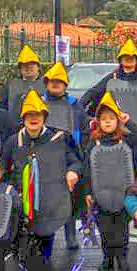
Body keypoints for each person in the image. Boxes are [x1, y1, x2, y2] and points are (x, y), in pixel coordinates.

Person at [1, 89, 83, 271]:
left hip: (50, 198)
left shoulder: (60, 138)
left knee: (45, 235)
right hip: (22, 201)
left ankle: (44, 258)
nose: (33, 118)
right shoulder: (14, 142)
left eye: (37, 114)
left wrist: (73, 171)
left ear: (44, 116)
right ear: (23, 117)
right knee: (24, 243)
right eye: (29, 115)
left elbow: (76, 161)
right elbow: (1, 169)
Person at [83, 90, 137, 271]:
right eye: (104, 118)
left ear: (117, 121)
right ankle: (107, 258)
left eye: (112, 118)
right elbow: (87, 169)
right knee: (105, 229)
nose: (108, 121)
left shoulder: (126, 140)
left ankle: (122, 257)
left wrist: (127, 120)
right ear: (98, 122)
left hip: (123, 192)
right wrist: (88, 192)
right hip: (101, 193)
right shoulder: (94, 143)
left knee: (122, 229)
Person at [42, 60, 88, 251]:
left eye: (59, 82)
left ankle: (70, 235)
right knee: (47, 200)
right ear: (46, 83)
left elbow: (83, 130)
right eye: (52, 81)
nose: (55, 84)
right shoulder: (39, 103)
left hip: (68, 156)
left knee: (69, 198)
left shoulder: (75, 106)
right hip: (45, 156)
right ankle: (47, 235)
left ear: (65, 85)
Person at [81, 38, 137, 134]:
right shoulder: (112, 77)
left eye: (132, 57)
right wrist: (79, 108)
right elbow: (94, 92)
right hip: (116, 129)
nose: (129, 58)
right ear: (120, 59)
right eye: (125, 56)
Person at [0, 44, 46, 118]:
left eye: (31, 64)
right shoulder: (10, 86)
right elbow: (1, 108)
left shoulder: (47, 85)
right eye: (24, 65)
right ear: (20, 69)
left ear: (38, 67)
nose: (28, 67)